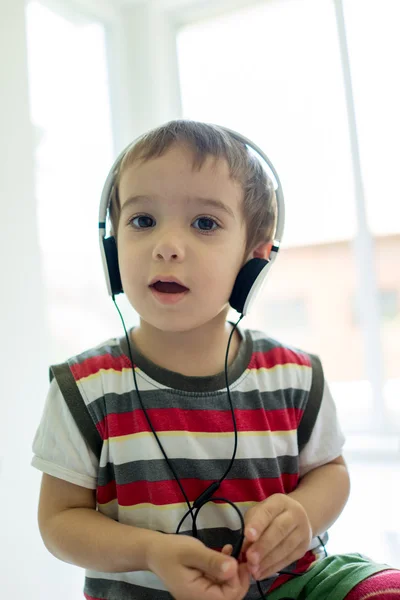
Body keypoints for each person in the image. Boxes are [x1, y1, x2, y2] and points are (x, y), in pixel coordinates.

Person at [32, 120, 399, 600]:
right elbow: (59, 519)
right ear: (111, 244)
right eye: (142, 221)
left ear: (254, 257)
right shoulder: (83, 389)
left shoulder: (294, 376)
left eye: (204, 223)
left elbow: (331, 472)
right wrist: (150, 552)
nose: (167, 246)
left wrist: (303, 513)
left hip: (293, 586)